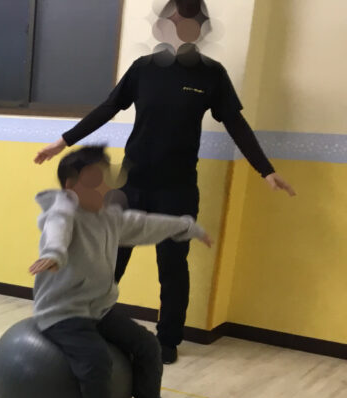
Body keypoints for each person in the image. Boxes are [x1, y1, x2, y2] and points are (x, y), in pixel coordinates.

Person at [34, 0, 294, 364]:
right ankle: (86, 321)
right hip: (131, 184)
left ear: (199, 28)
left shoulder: (211, 75)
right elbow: (108, 107)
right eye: (171, 22)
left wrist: (266, 170)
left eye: (186, 23)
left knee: (173, 267)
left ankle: (168, 340)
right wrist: (63, 141)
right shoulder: (144, 69)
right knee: (108, 259)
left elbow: (235, 123)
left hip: (177, 188)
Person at [30, 145, 212, 398]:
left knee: (148, 346)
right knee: (96, 359)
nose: (107, 186)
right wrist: (54, 254)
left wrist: (188, 227)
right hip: (62, 312)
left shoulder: (110, 218)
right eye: (96, 180)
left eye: (108, 178)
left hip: (99, 308)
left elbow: (146, 225)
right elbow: (57, 232)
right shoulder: (63, 212)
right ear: (71, 187)